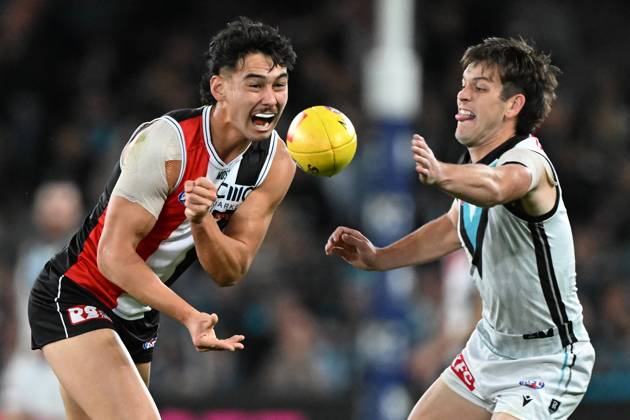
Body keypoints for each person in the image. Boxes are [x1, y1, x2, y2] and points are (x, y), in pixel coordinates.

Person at [28, 17, 297, 419]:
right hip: (76, 294)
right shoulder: (167, 144)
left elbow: (231, 269)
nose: (270, 98)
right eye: (255, 84)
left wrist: (203, 220)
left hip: (136, 313)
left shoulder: (275, 163)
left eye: (279, 84)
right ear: (219, 88)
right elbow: (112, 256)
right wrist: (189, 316)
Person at [326, 37, 594, 420]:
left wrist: (441, 172)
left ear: (513, 105)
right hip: (489, 347)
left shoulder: (530, 163)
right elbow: (452, 227)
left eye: (480, 88)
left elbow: (499, 187)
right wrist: (378, 258)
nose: (462, 96)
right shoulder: (477, 173)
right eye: (463, 84)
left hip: (547, 359)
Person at [2, 181, 82, 420]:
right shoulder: (28, 252)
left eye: (62, 202)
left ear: (76, 211)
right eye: (49, 202)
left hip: (65, 362)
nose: (55, 208)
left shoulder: (84, 257)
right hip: (25, 356)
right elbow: (17, 302)